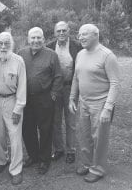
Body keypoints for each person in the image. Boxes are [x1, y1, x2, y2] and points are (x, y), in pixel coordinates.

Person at [69, 24, 120, 183]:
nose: (81, 37)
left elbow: (115, 83)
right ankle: (86, 163)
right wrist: (72, 98)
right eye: (79, 34)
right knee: (84, 136)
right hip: (83, 102)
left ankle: (98, 169)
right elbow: (76, 78)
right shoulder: (80, 54)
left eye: (85, 34)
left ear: (96, 35)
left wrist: (108, 107)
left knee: (99, 138)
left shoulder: (107, 55)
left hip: (101, 103)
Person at [19, 27, 62, 174]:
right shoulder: (21, 53)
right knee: (27, 129)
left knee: (45, 129)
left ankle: (44, 160)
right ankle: (33, 156)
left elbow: (58, 76)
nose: (36, 41)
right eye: (33, 38)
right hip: (26, 98)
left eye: (39, 38)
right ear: (28, 39)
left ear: (43, 39)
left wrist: (53, 94)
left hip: (45, 98)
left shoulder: (52, 55)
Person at [0, 32, 27, 185]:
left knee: (15, 136)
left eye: (6, 43)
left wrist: (18, 108)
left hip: (13, 100)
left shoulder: (18, 61)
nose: (3, 46)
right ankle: (1, 160)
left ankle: (16, 169)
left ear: (11, 44)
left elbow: (22, 86)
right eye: (0, 43)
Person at [47, 21, 82, 163]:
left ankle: (71, 150)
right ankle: (59, 149)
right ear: (55, 32)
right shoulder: (48, 47)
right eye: (58, 31)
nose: (61, 33)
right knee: (55, 121)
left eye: (64, 30)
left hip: (70, 88)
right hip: (54, 89)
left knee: (70, 121)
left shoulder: (77, 47)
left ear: (69, 31)